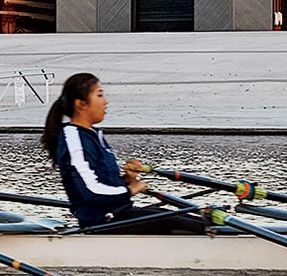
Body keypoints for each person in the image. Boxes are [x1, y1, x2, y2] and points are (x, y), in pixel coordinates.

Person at [40, 72, 203, 234]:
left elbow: (103, 183)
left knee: (196, 220)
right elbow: (90, 191)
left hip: (118, 213)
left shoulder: (94, 134)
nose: (105, 102)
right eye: (100, 95)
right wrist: (130, 190)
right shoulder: (73, 137)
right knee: (184, 223)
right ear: (80, 104)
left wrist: (127, 179)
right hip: (100, 220)